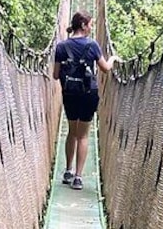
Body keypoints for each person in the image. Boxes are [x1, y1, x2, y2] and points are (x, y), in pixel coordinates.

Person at [53, 10, 119, 190]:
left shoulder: (61, 47)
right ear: (83, 25)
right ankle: (78, 178)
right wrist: (112, 58)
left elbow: (55, 74)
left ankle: (67, 170)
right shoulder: (93, 45)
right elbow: (105, 69)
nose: (91, 28)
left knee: (72, 132)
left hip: (70, 94)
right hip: (88, 94)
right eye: (90, 24)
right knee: (83, 135)